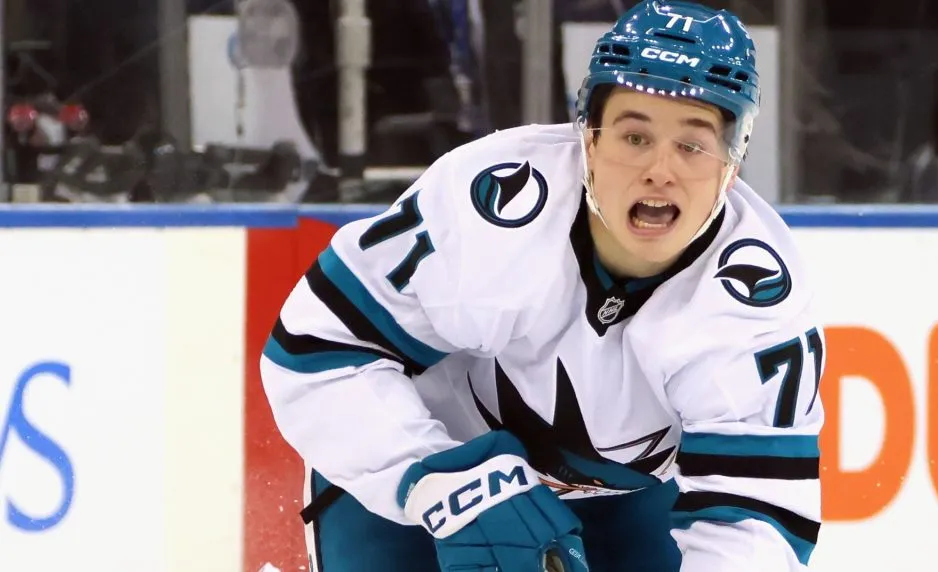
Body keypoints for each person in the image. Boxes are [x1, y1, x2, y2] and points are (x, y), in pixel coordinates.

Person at [260, 1, 825, 570]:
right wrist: (440, 483)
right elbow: (316, 351)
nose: (661, 169)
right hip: (424, 472)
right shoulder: (490, 204)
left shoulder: (757, 307)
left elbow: (756, 519)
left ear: (733, 163)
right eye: (634, 138)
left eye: (693, 145)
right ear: (588, 139)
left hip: (630, 500)